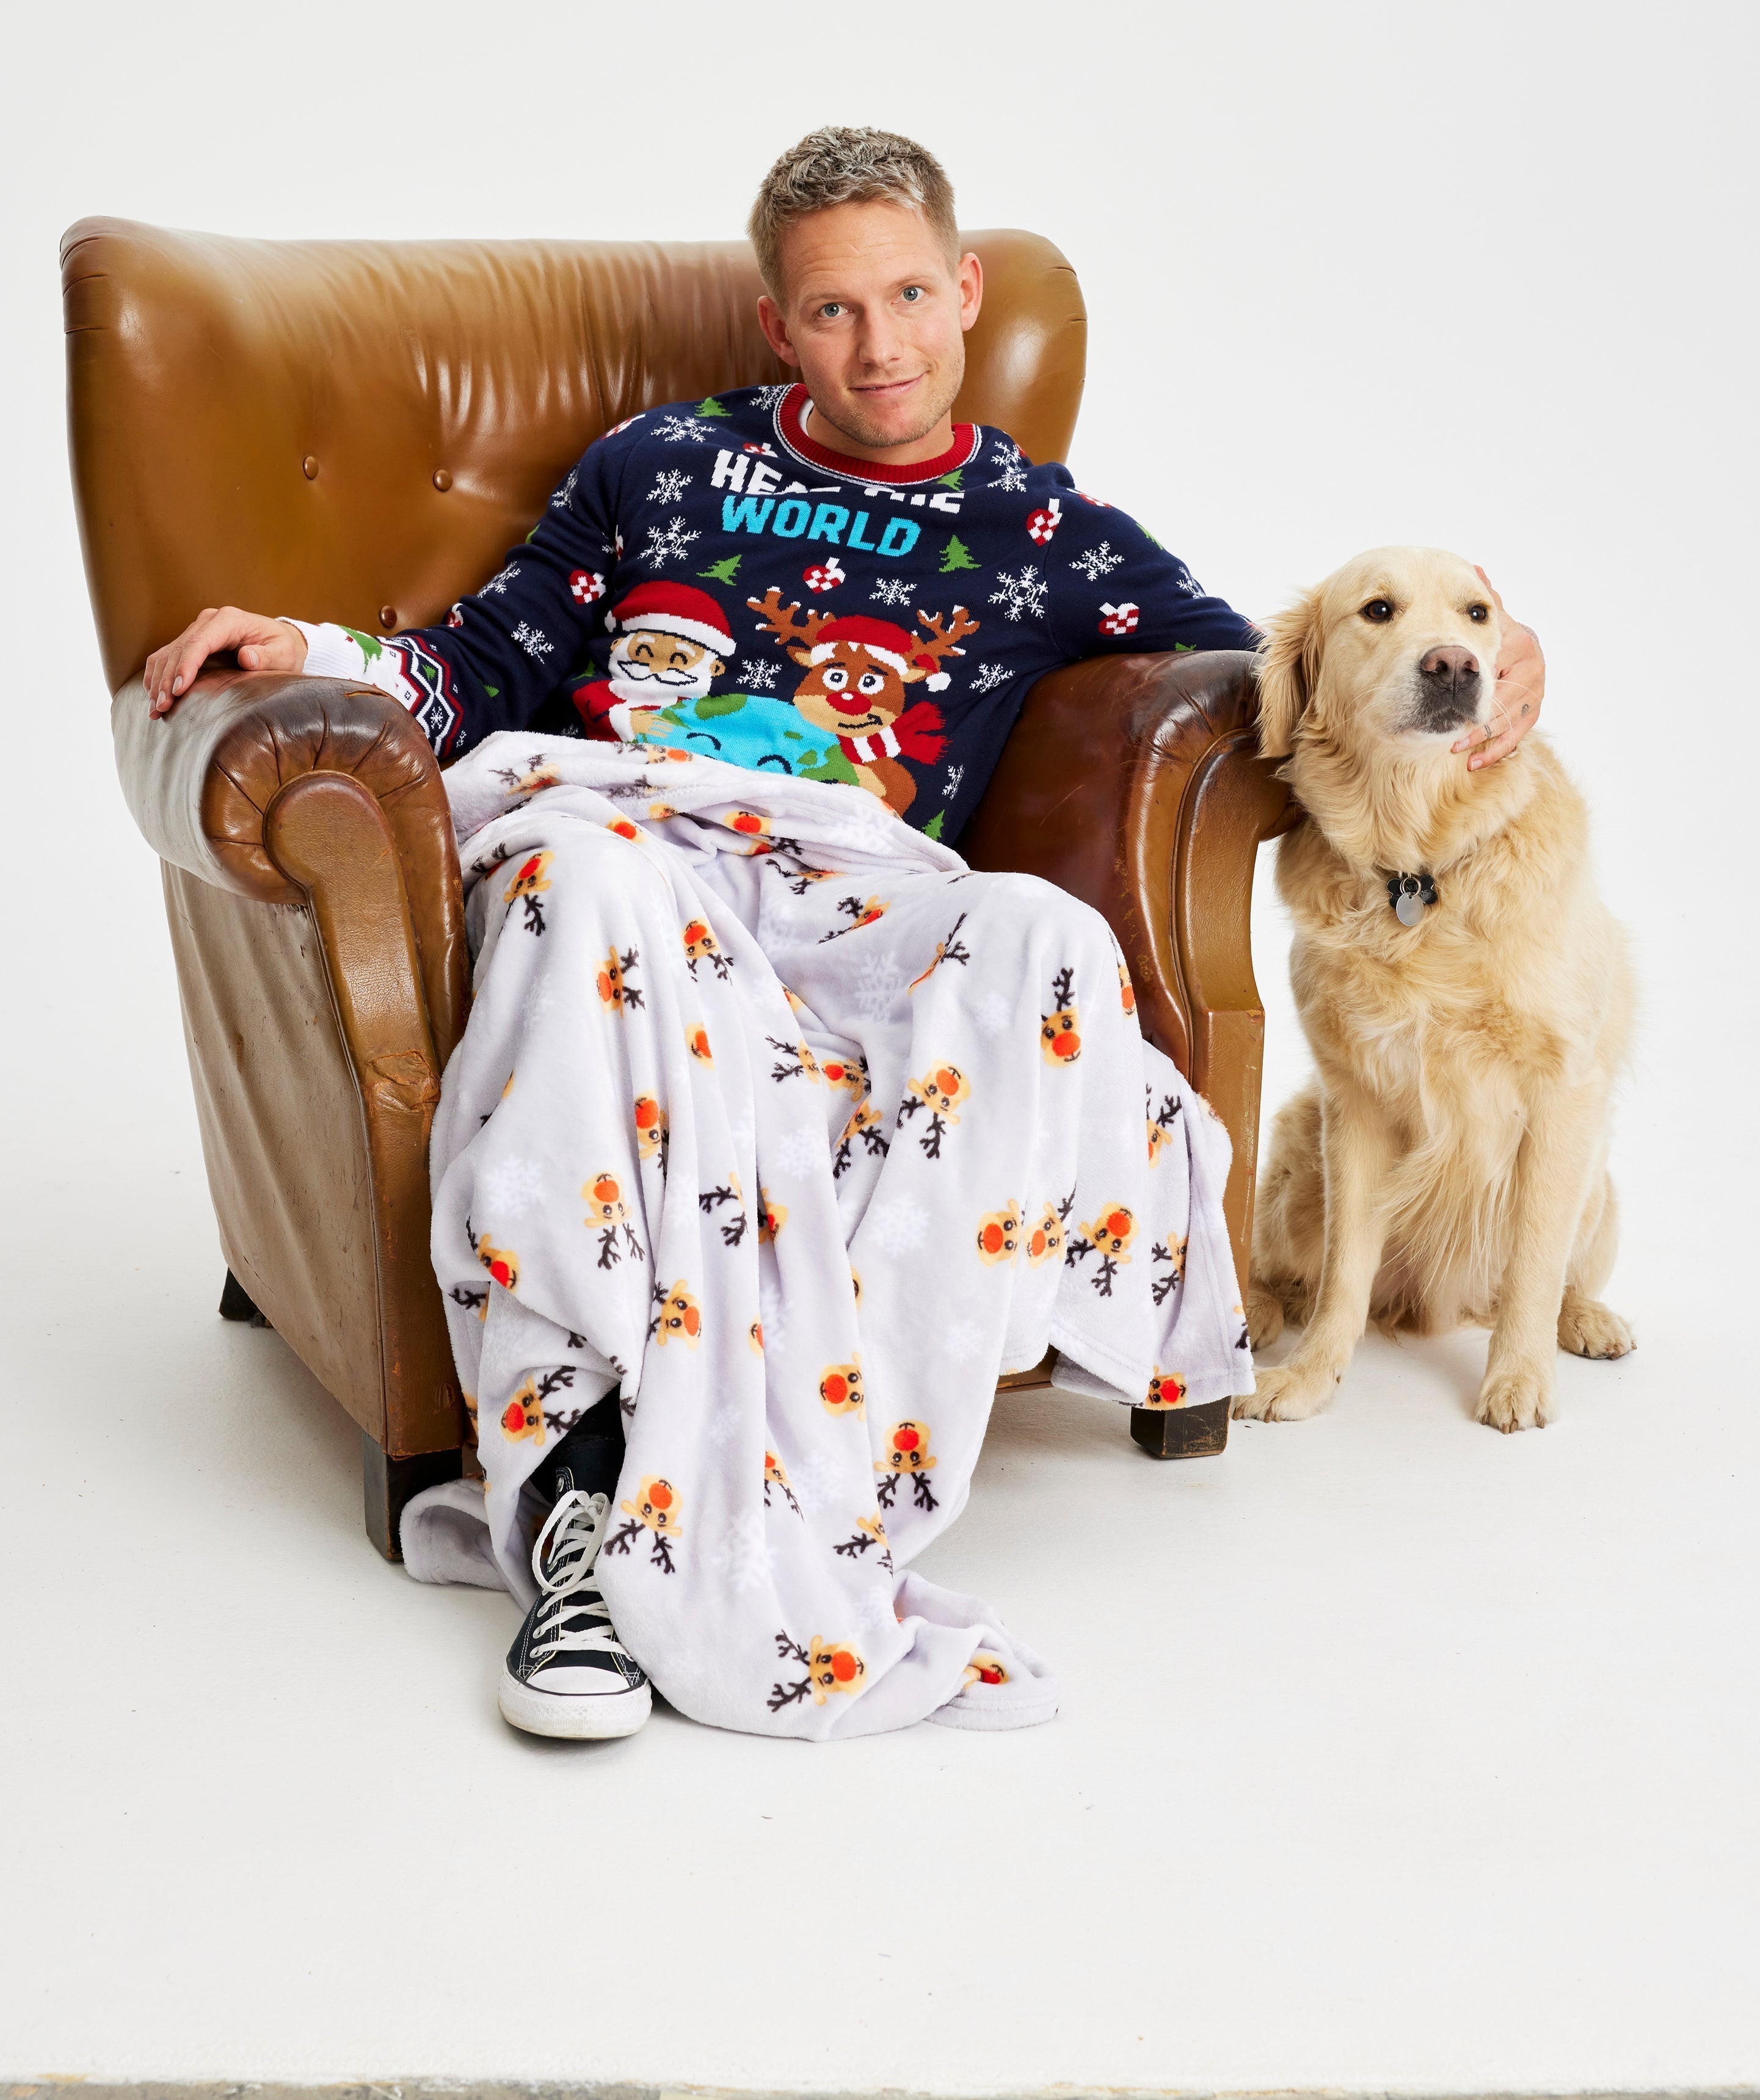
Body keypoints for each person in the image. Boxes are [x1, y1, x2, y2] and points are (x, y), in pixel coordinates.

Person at [144, 126, 1546, 1743]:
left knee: (1039, 936)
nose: (878, 346)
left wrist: (1501, 648)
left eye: (907, 297)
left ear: (965, 292)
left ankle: (815, 1472)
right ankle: (584, 1494)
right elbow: (488, 657)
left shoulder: (1046, 531)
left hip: (858, 897)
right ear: (778, 327)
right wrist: (312, 649)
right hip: (627, 850)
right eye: (831, 310)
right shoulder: (657, 464)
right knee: (584, 884)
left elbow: (1281, 678)